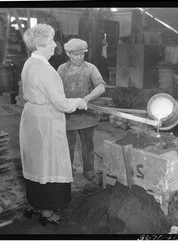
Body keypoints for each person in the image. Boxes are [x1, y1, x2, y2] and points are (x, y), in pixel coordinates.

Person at [19, 24, 87, 226]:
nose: (54, 45)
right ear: (39, 44)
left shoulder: (29, 64)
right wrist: (79, 102)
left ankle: (34, 204)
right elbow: (61, 104)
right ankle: (47, 211)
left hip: (31, 117)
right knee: (49, 164)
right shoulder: (46, 70)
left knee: (35, 163)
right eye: (50, 42)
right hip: (45, 121)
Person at [57, 38, 106, 181]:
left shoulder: (90, 68)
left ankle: (89, 170)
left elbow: (101, 86)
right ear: (68, 54)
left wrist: (87, 99)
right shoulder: (61, 69)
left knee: (88, 144)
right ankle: (67, 171)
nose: (79, 58)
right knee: (67, 146)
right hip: (68, 115)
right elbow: (55, 89)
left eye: (82, 54)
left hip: (86, 114)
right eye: (76, 54)